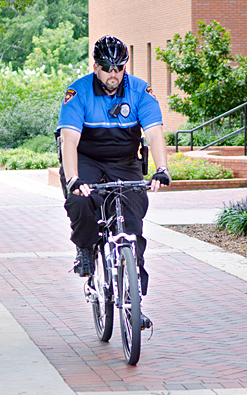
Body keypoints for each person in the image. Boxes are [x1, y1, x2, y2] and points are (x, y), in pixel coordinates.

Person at [57, 36, 172, 325]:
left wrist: (162, 168)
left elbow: (155, 133)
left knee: (133, 227)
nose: (113, 73)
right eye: (107, 67)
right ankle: (85, 247)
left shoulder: (140, 92)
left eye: (118, 67)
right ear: (96, 67)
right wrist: (73, 178)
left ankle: (135, 303)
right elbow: (68, 141)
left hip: (124, 161)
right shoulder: (78, 93)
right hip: (86, 159)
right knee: (81, 202)